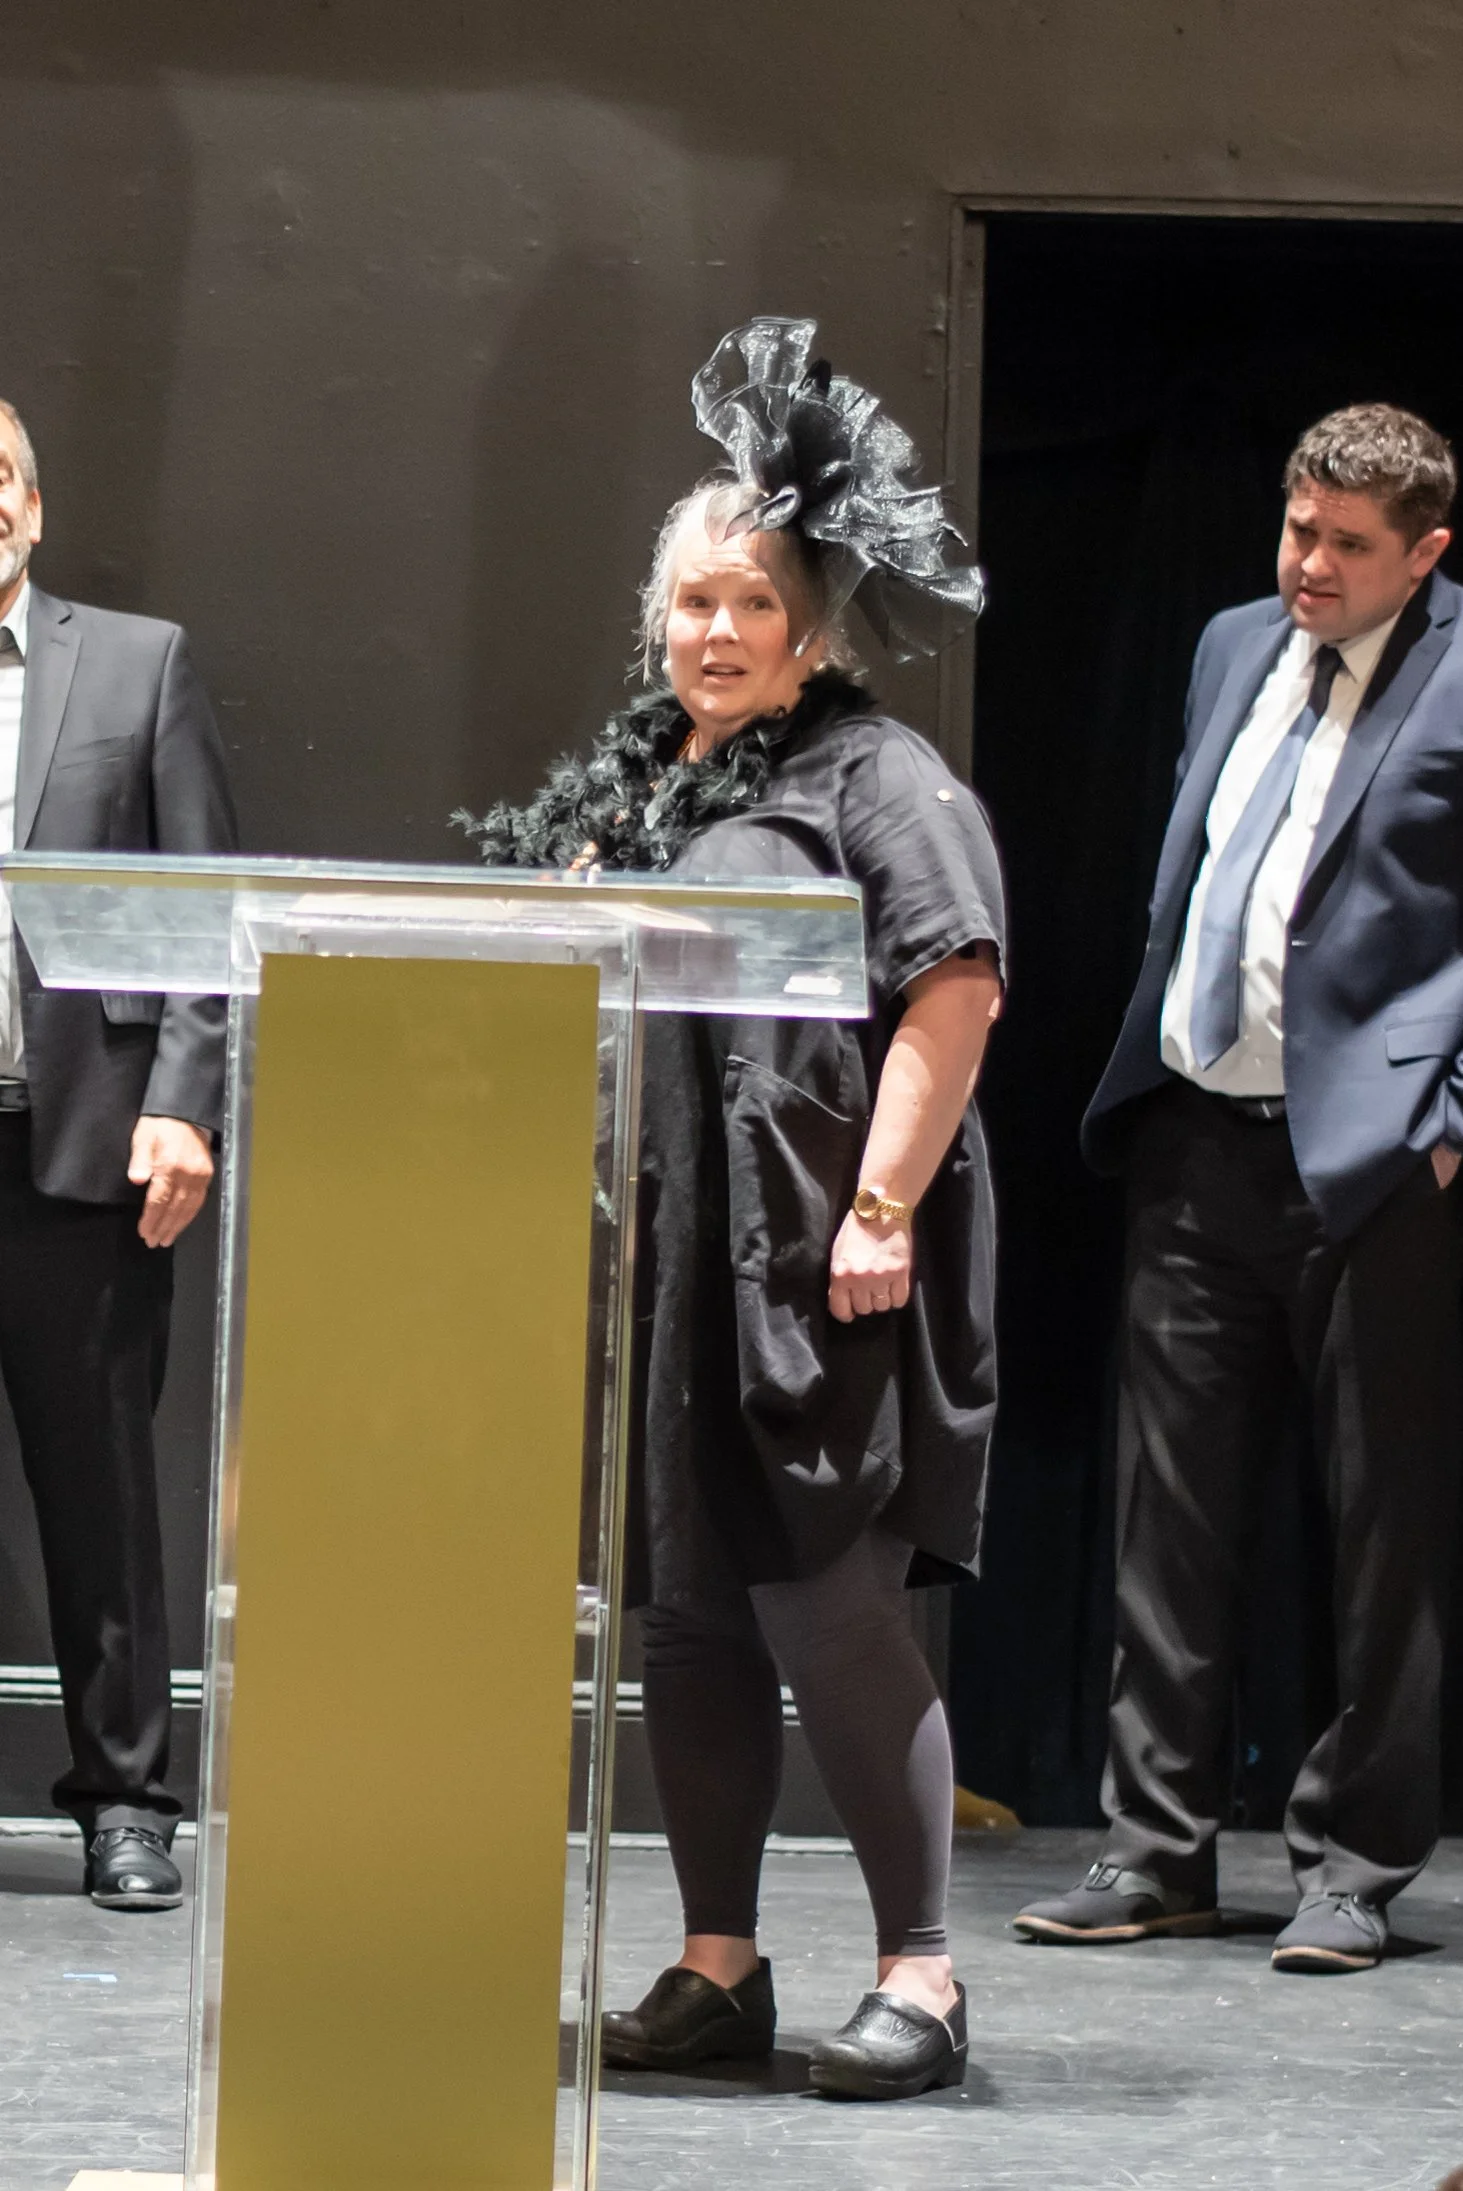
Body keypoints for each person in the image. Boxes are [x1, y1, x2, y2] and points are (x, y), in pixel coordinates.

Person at [463, 318, 1005, 2097]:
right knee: (686, 1612)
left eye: (749, 603)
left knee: (827, 1606)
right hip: (670, 1263)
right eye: (690, 603)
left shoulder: (884, 782)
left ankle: (922, 1971)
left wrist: (879, 1205)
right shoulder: (655, 785)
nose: (712, 630)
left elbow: (954, 988)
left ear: (814, 630)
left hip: (816, 1256)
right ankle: (718, 1960)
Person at [1014, 402, 1462, 1975]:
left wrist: (1448, 1110)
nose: (1309, 566)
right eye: (1296, 530)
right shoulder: (1225, 645)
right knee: (1169, 1516)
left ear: (1425, 552)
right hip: (1197, 1130)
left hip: (1381, 1156)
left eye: (1347, 545)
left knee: (1384, 1531)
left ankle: (1354, 1864)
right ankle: (1156, 1849)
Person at [0, 398, 237, 1907]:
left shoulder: (134, 662)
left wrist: (189, 1097)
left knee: (100, 1489)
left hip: (76, 1145)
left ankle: (126, 1796)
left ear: (28, 502)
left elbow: (205, 902)